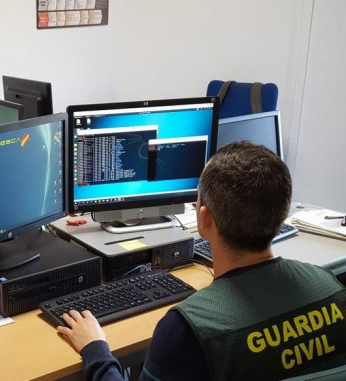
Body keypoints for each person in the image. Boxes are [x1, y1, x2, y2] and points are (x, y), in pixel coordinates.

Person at [56, 142, 346, 380]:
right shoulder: (331, 287)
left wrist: (96, 350)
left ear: (204, 219)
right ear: (282, 215)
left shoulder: (188, 329)